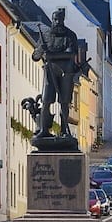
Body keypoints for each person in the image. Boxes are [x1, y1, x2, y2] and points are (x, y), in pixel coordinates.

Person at [31, 8, 83, 140]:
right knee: (46, 100)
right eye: (55, 19)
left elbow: (71, 54)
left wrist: (51, 55)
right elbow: (35, 56)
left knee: (64, 102)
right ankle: (44, 129)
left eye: (59, 19)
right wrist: (41, 49)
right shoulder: (46, 35)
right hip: (50, 71)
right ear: (52, 19)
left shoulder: (70, 35)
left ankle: (64, 129)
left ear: (63, 20)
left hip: (66, 71)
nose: (57, 22)